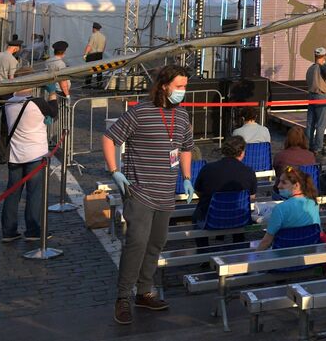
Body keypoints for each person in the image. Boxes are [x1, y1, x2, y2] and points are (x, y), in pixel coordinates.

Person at [104, 65, 194, 325]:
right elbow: (110, 138)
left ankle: (145, 291)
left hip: (166, 193)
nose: (182, 91)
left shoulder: (182, 116)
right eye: (179, 86)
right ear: (164, 86)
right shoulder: (140, 112)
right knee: (136, 244)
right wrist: (114, 171)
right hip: (140, 192)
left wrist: (187, 178)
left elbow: (186, 147)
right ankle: (123, 297)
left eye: (185, 86)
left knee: (156, 244)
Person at [0, 85, 57, 243]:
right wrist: (52, 92)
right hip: (35, 155)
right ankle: (33, 230)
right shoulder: (37, 102)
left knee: (12, 193)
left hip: (15, 154)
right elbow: (54, 112)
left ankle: (8, 231)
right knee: (34, 194)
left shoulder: (8, 102)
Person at [193, 136, 258, 223]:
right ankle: (239, 236)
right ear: (242, 153)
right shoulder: (249, 172)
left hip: (211, 218)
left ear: (224, 151)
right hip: (239, 218)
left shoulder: (207, 168)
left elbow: (199, 192)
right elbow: (251, 198)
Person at [255, 166, 321, 251]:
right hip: (308, 254)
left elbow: (266, 242)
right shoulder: (313, 203)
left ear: (296, 185)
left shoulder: (280, 209)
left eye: (283, 182)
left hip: (283, 257)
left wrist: (254, 258)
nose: (278, 186)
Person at [304, 48, 326, 153]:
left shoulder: (310, 69)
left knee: (310, 123)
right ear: (323, 57)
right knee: (320, 124)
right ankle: (318, 147)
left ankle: (308, 145)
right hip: (321, 97)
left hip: (311, 97)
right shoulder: (321, 68)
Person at [84, 22, 107, 89]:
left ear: (94, 28)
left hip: (92, 54)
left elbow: (89, 46)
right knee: (99, 69)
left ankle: (88, 84)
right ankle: (99, 82)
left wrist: (85, 53)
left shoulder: (93, 36)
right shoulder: (103, 37)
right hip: (99, 54)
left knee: (89, 69)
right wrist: (101, 53)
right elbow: (104, 46)